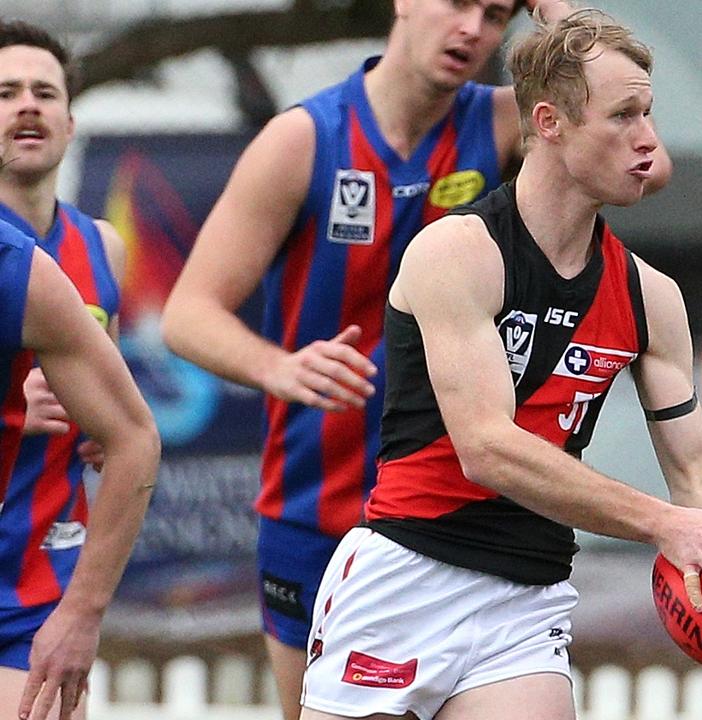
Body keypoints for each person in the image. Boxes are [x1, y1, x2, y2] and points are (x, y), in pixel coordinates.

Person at [159, 1, 665, 717]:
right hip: (322, 501)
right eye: (456, 3)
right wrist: (280, 367)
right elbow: (187, 314)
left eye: (495, 14)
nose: (472, 30)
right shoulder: (306, 138)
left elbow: (643, 162)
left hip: (465, 528)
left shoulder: (505, 121)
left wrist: (564, 19)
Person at [298, 11, 702, 719]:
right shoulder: (456, 253)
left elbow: (696, 474)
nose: (649, 139)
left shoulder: (651, 297)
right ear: (550, 121)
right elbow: (488, 449)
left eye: (649, 112)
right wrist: (665, 525)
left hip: (524, 598)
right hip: (405, 576)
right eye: (623, 115)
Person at [0, 20, 160, 720]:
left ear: (70, 122)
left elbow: (120, 423)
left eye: (44, 92)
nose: (27, 106)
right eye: (5, 93)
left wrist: (95, 430)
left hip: (40, 579)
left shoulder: (101, 246)